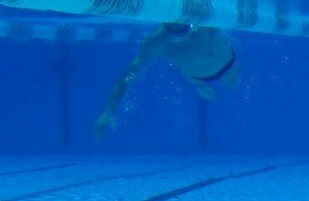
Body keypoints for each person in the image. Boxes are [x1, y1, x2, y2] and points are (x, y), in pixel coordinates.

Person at [93, 23, 238, 137]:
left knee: (236, 90)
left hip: (228, 66)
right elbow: (128, 76)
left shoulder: (203, 20)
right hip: (197, 78)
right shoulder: (156, 42)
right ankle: (199, 87)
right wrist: (108, 111)